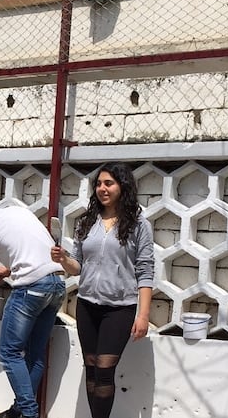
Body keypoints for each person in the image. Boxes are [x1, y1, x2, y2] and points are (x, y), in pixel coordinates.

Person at [50, 162, 154, 418]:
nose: (102, 189)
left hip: (119, 309)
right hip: (87, 306)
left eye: (109, 183)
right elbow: (77, 267)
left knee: (105, 370)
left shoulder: (139, 225)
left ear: (123, 186)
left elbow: (145, 270)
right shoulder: (87, 222)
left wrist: (143, 314)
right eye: (98, 184)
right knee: (92, 369)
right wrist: (63, 259)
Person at [0, 202, 67, 418]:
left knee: (9, 353)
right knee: (35, 355)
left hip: (31, 288)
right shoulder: (17, 211)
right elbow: (32, 250)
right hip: (57, 284)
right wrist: (8, 270)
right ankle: (18, 411)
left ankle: (28, 413)